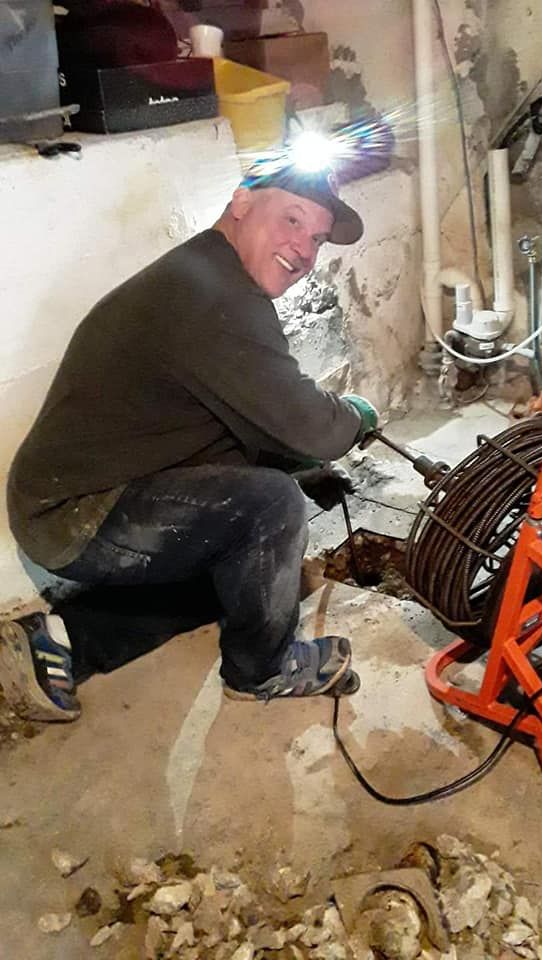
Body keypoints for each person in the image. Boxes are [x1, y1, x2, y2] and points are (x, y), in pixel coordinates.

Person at [0, 164, 378, 722]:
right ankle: (263, 670)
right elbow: (310, 425)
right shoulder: (215, 297)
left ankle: (56, 642)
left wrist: (301, 467)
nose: (302, 249)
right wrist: (353, 417)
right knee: (270, 507)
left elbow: (241, 422)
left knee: (243, 578)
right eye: (291, 220)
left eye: (316, 238)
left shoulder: (208, 273)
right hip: (72, 514)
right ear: (241, 203)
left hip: (86, 493)